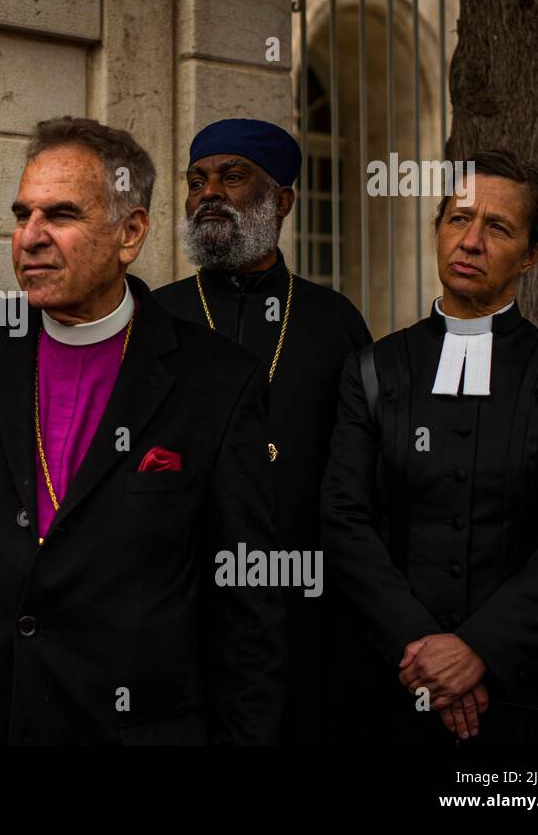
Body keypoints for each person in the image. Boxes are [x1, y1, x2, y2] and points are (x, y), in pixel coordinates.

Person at [0, 117, 287, 745]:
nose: (29, 239)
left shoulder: (216, 382)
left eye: (59, 216)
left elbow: (247, 610)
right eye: (21, 215)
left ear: (129, 232)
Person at [321, 150, 538, 744]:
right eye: (458, 219)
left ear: (532, 255)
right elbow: (344, 519)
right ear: (437, 230)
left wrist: (480, 650)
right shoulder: (374, 368)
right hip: (400, 689)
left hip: (533, 697)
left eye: (499, 228)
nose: (471, 241)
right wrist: (425, 655)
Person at [154, 118, 370, 743]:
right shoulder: (155, 315)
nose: (208, 193)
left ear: (282, 200)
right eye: (196, 181)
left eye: (231, 175)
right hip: (179, 599)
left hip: (304, 602)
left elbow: (358, 476)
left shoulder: (335, 322)